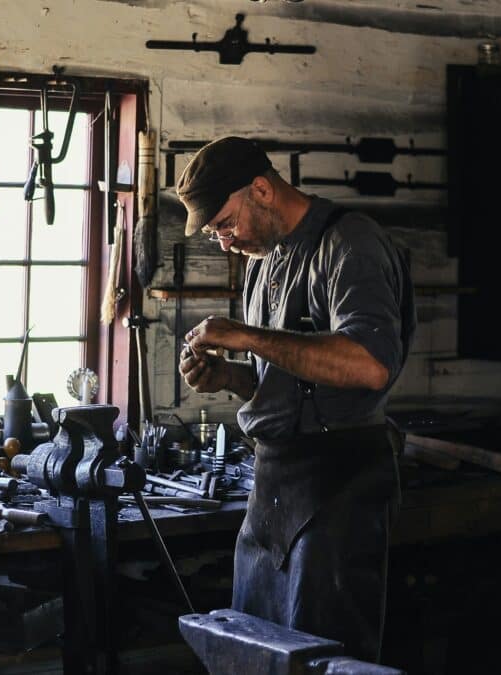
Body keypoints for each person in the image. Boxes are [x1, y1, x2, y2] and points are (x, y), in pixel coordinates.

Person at [176, 136, 415, 662]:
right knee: (254, 653)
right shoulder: (264, 262)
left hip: (338, 486)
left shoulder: (348, 243)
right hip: (274, 488)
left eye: (224, 224)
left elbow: (369, 365)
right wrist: (229, 377)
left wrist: (249, 336)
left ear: (261, 189)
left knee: (320, 658)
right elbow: (289, 381)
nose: (223, 242)